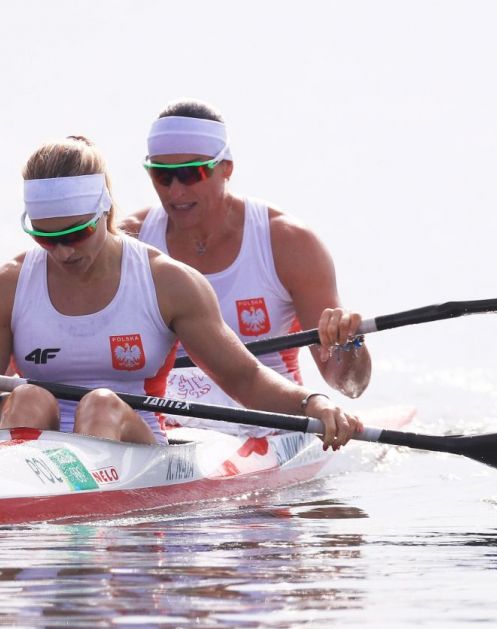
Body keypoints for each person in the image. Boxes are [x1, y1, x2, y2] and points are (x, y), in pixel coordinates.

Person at [0, 135, 361, 450]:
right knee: (26, 397)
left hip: (134, 451)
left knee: (100, 404)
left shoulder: (168, 282)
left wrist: (315, 404)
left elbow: (245, 378)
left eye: (77, 233)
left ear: (104, 210)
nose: (64, 251)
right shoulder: (2, 287)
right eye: (46, 238)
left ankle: (88, 542)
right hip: (34, 455)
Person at [119, 100, 372, 434]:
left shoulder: (287, 242)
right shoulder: (129, 242)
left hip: (268, 416)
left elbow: (348, 384)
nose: (176, 191)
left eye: (190, 173)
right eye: (162, 176)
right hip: (169, 413)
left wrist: (348, 346)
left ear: (226, 168)